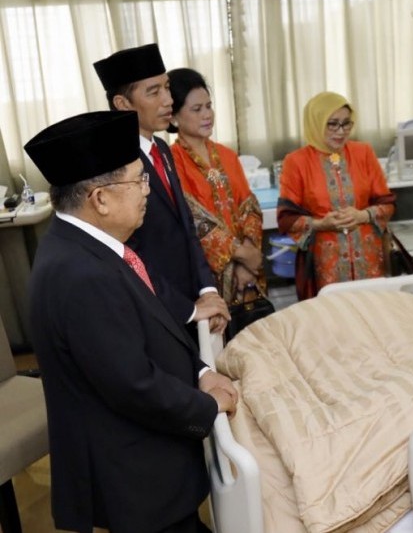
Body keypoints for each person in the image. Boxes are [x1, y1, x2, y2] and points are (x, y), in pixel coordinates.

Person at [24, 110, 238, 533]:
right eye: (138, 181)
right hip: (134, 476)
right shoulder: (80, 275)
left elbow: (151, 330)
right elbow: (132, 384)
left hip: (146, 461)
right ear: (100, 199)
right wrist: (209, 406)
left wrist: (199, 371)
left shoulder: (95, 248)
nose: (147, 191)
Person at [93, 44, 228, 333]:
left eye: (167, 87)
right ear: (123, 104)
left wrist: (207, 290)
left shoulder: (162, 149)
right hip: (155, 308)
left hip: (191, 298)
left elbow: (187, 227)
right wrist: (188, 309)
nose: (168, 100)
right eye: (154, 92)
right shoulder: (116, 164)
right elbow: (129, 253)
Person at [277, 91, 395, 299]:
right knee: (332, 320)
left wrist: (363, 216)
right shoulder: (296, 162)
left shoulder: (364, 153)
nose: (341, 132)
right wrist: (322, 224)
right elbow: (286, 218)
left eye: (346, 124)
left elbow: (387, 203)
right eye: (332, 124)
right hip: (324, 263)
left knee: (372, 315)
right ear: (316, 122)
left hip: (369, 260)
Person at [166, 67, 266, 308]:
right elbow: (195, 221)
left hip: (249, 275)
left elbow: (249, 207)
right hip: (207, 279)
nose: (207, 115)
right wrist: (242, 255)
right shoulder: (172, 161)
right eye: (197, 109)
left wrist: (250, 256)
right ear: (173, 117)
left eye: (209, 106)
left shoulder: (227, 155)